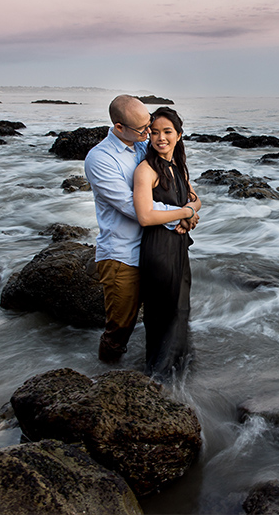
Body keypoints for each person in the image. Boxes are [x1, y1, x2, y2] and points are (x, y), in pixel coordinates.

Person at [84, 95, 199, 363]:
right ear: (119, 127)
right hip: (122, 254)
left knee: (163, 316)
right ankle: (106, 378)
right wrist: (182, 216)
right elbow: (134, 208)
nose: (150, 133)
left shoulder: (141, 144)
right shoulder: (100, 159)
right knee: (120, 327)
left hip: (155, 250)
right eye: (143, 129)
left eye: (149, 125)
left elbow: (176, 181)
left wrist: (192, 208)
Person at [133, 107, 201, 378]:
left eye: (167, 132)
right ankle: (157, 374)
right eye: (155, 132)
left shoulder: (178, 167)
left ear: (179, 135)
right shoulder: (146, 170)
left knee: (180, 307)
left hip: (179, 248)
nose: (161, 138)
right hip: (158, 249)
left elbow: (196, 198)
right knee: (162, 313)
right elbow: (145, 216)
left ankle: (178, 369)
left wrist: (192, 212)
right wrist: (185, 213)